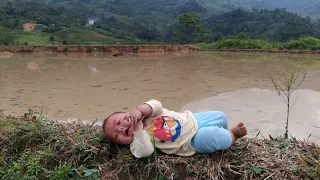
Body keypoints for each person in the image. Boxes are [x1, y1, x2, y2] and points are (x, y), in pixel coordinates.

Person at [103, 99, 247, 158]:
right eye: (117, 135)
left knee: (220, 116)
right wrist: (139, 130)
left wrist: (141, 110)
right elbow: (146, 151)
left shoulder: (147, 114)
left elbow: (157, 104)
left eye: (118, 123)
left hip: (192, 119)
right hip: (190, 141)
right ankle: (232, 135)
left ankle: (222, 132)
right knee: (219, 137)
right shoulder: (136, 143)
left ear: (128, 113)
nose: (121, 129)